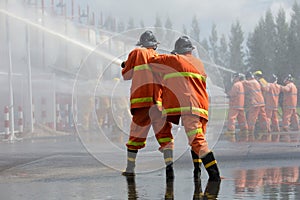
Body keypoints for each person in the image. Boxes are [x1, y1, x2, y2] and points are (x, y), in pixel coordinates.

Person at [149, 36, 221, 181]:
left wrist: (151, 51)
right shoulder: (198, 63)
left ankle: (215, 175)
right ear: (190, 50)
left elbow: (152, 62)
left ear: (178, 51)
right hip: (202, 107)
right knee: (197, 139)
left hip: (190, 105)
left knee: (197, 140)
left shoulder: (175, 60)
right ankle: (197, 171)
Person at [121, 30, 174, 177]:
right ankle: (170, 169)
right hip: (158, 103)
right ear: (154, 45)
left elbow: (126, 75)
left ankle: (130, 168)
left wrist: (125, 64)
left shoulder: (136, 53)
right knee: (165, 136)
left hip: (141, 104)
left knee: (135, 136)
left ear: (142, 43)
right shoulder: (161, 58)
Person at [243, 71, 270, 139]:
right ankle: (266, 129)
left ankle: (250, 131)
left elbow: (242, 83)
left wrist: (240, 79)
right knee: (263, 117)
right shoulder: (257, 82)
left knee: (252, 118)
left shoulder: (250, 82)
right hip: (261, 102)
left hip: (255, 103)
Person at [225, 72, 248, 142]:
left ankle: (230, 131)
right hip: (240, 105)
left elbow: (232, 94)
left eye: (234, 77)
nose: (233, 79)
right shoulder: (241, 84)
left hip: (234, 105)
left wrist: (227, 94)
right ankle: (245, 130)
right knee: (242, 119)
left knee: (231, 118)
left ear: (236, 77)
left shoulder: (236, 85)